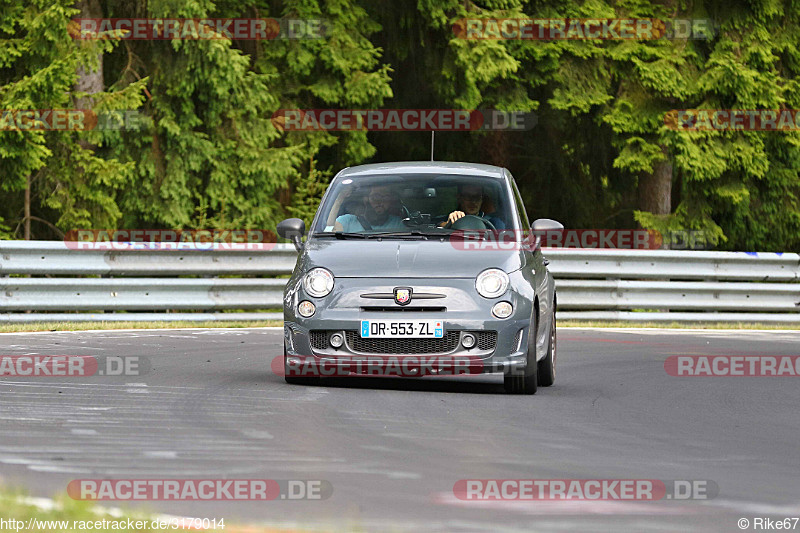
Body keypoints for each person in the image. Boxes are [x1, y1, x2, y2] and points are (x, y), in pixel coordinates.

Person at [334, 184, 405, 232]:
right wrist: (339, 200)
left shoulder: (398, 224)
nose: (381, 202)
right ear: (366, 199)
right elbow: (329, 231)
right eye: (376, 197)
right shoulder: (348, 221)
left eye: (386, 197)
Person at [441, 184, 505, 229]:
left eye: (477, 197)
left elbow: (504, 239)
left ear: (482, 199)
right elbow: (435, 226)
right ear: (459, 198)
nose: (473, 201)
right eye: (468, 196)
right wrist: (449, 223)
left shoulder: (494, 222)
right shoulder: (450, 218)